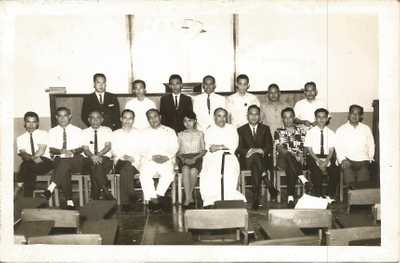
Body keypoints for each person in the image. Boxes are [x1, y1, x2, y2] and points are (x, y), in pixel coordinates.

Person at [200, 107, 246, 208]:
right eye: (219, 116)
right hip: (213, 156)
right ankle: (210, 199)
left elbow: (233, 145)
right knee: (210, 172)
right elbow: (210, 147)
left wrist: (219, 146)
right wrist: (222, 146)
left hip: (228, 156)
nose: (222, 119)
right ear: (214, 117)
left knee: (229, 171)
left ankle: (227, 198)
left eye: (224, 116)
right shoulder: (210, 129)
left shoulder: (232, 129)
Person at [140, 109, 179, 212]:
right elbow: (141, 148)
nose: (153, 119)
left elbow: (174, 147)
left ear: (160, 117)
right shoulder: (143, 132)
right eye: (150, 118)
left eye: (155, 116)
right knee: (144, 175)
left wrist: (166, 157)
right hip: (150, 160)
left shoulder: (170, 131)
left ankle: (158, 195)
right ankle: (154, 199)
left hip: (165, 159)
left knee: (169, 174)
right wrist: (152, 157)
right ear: (148, 120)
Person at [237, 105, 276, 209]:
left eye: (256, 114)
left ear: (259, 116)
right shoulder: (241, 130)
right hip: (246, 160)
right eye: (251, 114)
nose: (254, 117)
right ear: (247, 116)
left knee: (256, 166)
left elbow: (269, 146)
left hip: (261, 160)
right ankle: (269, 185)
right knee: (254, 157)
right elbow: (239, 148)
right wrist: (250, 151)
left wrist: (260, 150)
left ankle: (256, 199)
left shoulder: (265, 129)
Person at [44, 107, 84, 209]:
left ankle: (51, 187)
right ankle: (69, 201)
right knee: (64, 167)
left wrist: (72, 152)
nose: (62, 118)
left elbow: (82, 148)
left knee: (64, 164)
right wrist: (60, 151)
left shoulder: (78, 130)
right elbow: (51, 149)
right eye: (60, 116)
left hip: (75, 160)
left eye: (65, 115)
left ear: (70, 116)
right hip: (59, 159)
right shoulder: (52, 131)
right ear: (56, 117)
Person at [335, 104, 375, 186]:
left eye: (358, 114)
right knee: (351, 185)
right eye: (353, 113)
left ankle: (360, 197)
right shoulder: (341, 129)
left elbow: (371, 145)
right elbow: (338, 147)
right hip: (347, 161)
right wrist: (342, 160)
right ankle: (350, 196)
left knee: (363, 184)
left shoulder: (366, 128)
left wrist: (370, 158)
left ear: (361, 116)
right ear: (349, 114)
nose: (355, 116)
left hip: (363, 160)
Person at [274, 107, 307, 208]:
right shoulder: (278, 132)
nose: (288, 120)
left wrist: (301, 155)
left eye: (290, 117)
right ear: (282, 119)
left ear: (294, 118)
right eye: (285, 117)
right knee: (288, 155)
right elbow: (279, 148)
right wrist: (294, 154)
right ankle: (302, 177)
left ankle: (290, 197)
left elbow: (305, 147)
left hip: (297, 161)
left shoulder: (301, 131)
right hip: (282, 161)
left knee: (291, 168)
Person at [16, 111, 53, 197]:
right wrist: (33, 158)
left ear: (37, 123)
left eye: (34, 122)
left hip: (44, 162)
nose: (31, 125)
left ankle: (19, 186)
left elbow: (41, 151)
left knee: (25, 166)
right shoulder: (20, 138)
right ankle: (28, 198)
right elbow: (23, 154)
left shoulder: (43, 134)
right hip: (30, 163)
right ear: (25, 123)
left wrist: (32, 158)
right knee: (28, 167)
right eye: (28, 122)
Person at [111, 109, 142, 212]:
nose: (127, 121)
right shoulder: (115, 133)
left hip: (135, 162)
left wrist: (133, 158)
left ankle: (126, 201)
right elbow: (114, 149)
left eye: (130, 118)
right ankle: (132, 195)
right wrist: (124, 156)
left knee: (127, 168)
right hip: (119, 160)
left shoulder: (138, 133)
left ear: (133, 120)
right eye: (125, 118)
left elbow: (141, 149)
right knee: (126, 165)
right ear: (121, 119)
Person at [304, 108, 339, 198]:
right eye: (319, 117)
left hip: (328, 156)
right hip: (314, 156)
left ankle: (329, 194)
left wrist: (327, 161)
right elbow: (309, 149)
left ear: (327, 119)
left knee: (335, 171)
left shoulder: (331, 133)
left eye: (324, 117)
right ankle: (318, 194)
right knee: (316, 172)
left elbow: (331, 150)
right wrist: (318, 161)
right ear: (315, 118)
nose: (321, 119)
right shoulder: (310, 132)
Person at [81, 110, 114, 200]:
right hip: (89, 159)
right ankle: (105, 189)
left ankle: (95, 194)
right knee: (95, 164)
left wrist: (98, 155)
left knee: (96, 166)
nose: (95, 120)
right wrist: (92, 156)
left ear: (102, 120)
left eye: (98, 118)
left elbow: (108, 146)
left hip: (105, 158)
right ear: (88, 120)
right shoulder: (84, 132)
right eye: (92, 118)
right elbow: (85, 149)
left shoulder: (107, 130)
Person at [176, 111, 206, 208]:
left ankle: (188, 197)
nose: (187, 123)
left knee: (193, 171)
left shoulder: (200, 134)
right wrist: (184, 159)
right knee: (185, 169)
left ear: (195, 121)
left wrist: (195, 158)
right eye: (185, 121)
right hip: (184, 158)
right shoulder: (180, 134)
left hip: (197, 158)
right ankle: (189, 197)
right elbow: (178, 152)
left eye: (190, 121)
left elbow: (203, 150)